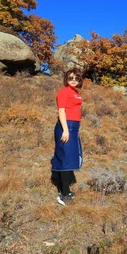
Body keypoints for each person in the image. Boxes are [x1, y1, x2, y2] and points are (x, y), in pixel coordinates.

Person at [51, 69, 84, 206]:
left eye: (76, 78)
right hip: (66, 127)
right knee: (64, 159)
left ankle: (67, 190)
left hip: (73, 128)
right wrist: (65, 130)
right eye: (71, 78)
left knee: (69, 159)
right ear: (66, 78)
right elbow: (61, 110)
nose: (74, 80)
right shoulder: (63, 91)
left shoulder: (75, 92)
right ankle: (63, 194)